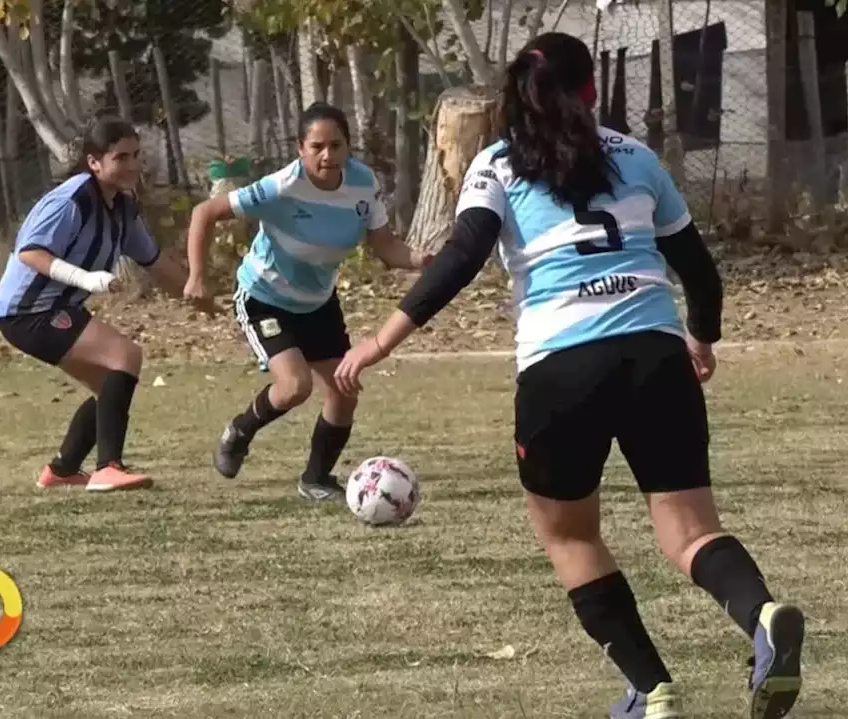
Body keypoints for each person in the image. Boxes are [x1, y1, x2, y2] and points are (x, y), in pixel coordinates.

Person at [332, 33, 804, 719]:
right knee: (691, 531)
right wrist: (699, 337)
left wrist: (380, 338)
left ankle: (654, 690)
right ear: (591, 91)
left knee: (571, 536)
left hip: (562, 367)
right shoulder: (636, 157)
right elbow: (698, 269)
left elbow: (461, 256)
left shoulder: (496, 165)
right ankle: (761, 615)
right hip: (653, 355)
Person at [183, 102, 432, 501]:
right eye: (317, 146)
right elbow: (204, 212)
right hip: (264, 297)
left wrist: (420, 260)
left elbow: (384, 245)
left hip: (318, 301)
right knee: (295, 386)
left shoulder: (363, 184)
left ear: (348, 147)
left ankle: (315, 479)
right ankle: (240, 430)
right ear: (301, 148)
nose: (327, 155)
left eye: (336, 145)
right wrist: (197, 276)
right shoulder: (281, 187)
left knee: (344, 389)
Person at [0, 115, 216, 493]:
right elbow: (29, 252)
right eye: (121, 157)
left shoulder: (122, 206)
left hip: (53, 311)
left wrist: (199, 292)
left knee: (109, 386)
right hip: (28, 312)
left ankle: (62, 470)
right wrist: (84, 279)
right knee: (125, 357)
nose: (132, 165)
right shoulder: (73, 198)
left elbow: (155, 262)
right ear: (94, 162)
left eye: (136, 155)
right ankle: (107, 468)